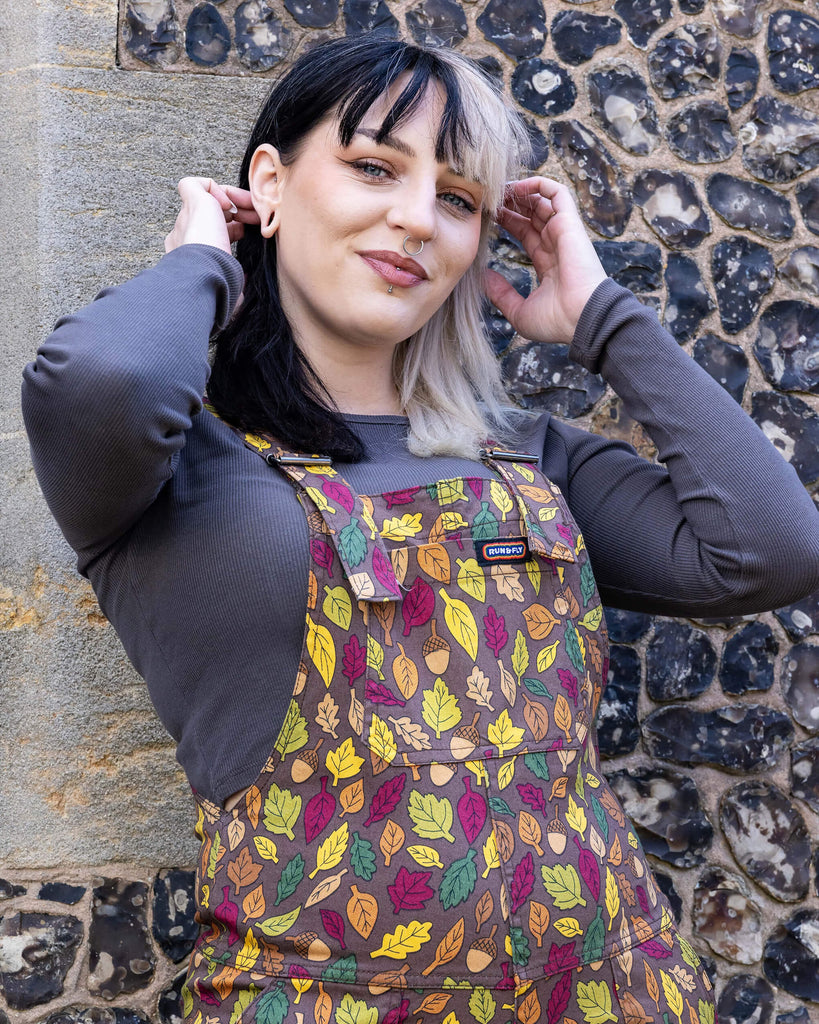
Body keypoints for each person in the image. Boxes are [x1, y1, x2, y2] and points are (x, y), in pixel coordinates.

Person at [21, 35, 819, 1024]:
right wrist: (204, 255)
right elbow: (106, 379)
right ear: (270, 181)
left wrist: (601, 316)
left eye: (457, 198)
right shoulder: (180, 463)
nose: (416, 218)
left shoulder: (525, 453)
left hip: (622, 992)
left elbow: (769, 549)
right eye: (373, 167)